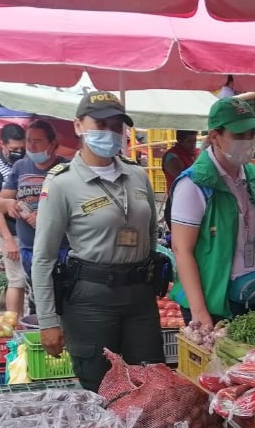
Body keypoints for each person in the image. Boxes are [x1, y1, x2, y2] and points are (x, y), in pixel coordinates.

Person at [33, 91, 165, 392]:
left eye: (116, 126)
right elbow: (43, 257)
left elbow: (152, 234)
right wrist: (48, 321)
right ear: (79, 126)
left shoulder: (137, 175)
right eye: (101, 124)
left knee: (152, 388)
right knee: (102, 392)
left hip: (140, 299)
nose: (109, 133)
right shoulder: (62, 182)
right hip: (91, 302)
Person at [169, 97, 255, 327]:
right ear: (215, 137)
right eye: (238, 135)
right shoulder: (195, 185)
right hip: (214, 303)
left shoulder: (254, 179)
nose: (248, 141)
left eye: (251, 134)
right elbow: (182, 250)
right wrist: (200, 312)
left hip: (253, 295)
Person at [1, 120, 70, 310]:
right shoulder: (20, 167)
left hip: (61, 249)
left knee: (63, 301)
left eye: (37, 141)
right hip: (29, 249)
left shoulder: (67, 168)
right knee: (37, 303)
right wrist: (9, 204)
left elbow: (79, 207)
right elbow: (1, 201)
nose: (31, 146)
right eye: (29, 140)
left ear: (53, 142)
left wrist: (46, 218)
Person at [0, 124, 28, 318]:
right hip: (10, 231)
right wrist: (8, 239)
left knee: (26, 280)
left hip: (28, 228)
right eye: (14, 150)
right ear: (2, 144)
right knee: (16, 280)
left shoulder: (24, 161)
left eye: (22, 148)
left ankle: (23, 322)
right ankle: (14, 327)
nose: (19, 153)